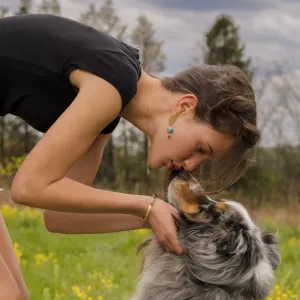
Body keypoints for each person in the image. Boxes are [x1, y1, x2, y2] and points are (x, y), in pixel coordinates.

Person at [0, 13, 259, 300]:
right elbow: (28, 187)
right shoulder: (114, 80)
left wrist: (158, 217)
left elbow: (60, 218)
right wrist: (146, 205)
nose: (192, 165)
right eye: (201, 148)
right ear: (185, 106)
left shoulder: (110, 106)